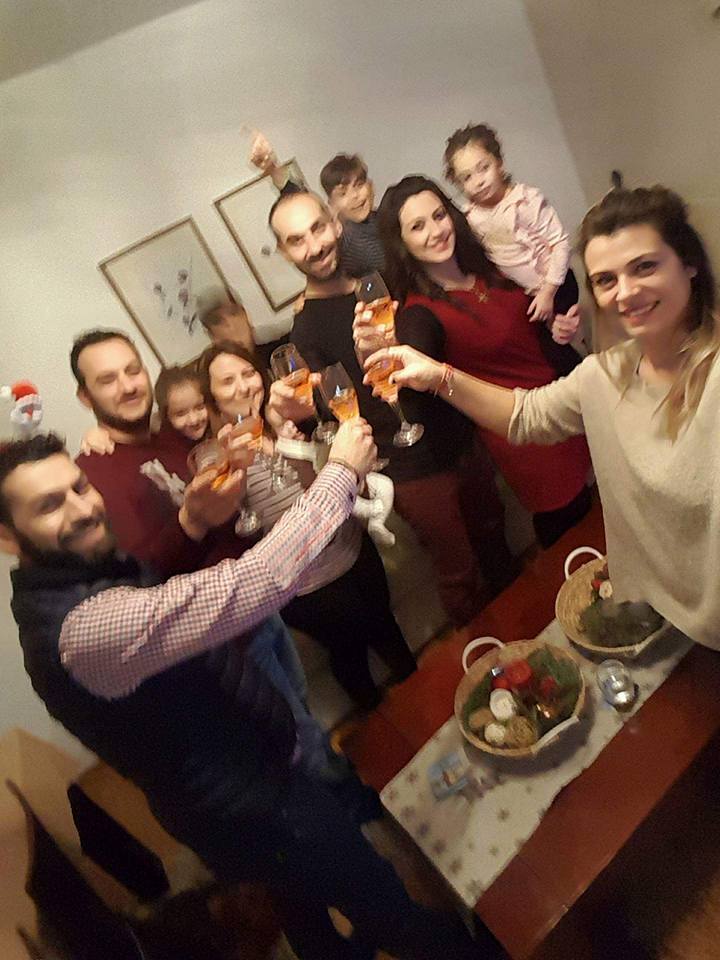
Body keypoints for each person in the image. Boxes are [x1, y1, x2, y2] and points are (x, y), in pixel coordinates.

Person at [1, 429, 496, 959]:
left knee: (303, 907)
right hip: (257, 807)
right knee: (385, 902)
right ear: (7, 536)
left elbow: (162, 599)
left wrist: (192, 522)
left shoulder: (71, 580)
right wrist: (342, 472)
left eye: (79, 487)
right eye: (49, 505)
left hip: (233, 795)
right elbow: (257, 581)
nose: (82, 509)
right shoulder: (81, 631)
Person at [365, 184, 720, 649]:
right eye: (606, 280)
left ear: (688, 263)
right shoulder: (602, 377)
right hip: (667, 614)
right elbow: (526, 415)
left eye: (645, 266)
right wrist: (434, 376)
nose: (626, 292)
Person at [70, 329, 340, 784]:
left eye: (132, 370)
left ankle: (344, 785)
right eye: (107, 379)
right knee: (297, 742)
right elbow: (137, 586)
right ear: (85, 396)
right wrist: (190, 522)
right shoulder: (93, 475)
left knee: (303, 709)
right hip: (223, 642)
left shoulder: (171, 433)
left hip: (259, 602)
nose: (128, 385)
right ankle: (345, 808)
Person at [267, 188, 516, 626]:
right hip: (412, 471)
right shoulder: (306, 331)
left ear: (335, 224)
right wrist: (293, 414)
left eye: (318, 228)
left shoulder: (381, 280)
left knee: (499, 541)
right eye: (296, 240)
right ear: (285, 254)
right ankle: (487, 655)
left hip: (458, 434)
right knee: (460, 576)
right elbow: (329, 409)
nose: (314, 246)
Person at [370, 175, 592, 548]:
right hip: (530, 438)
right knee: (576, 542)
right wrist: (379, 350)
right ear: (401, 242)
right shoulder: (418, 315)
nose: (436, 231)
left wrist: (558, 324)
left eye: (438, 215)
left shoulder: (489, 265)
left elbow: (534, 317)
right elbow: (415, 396)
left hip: (572, 403)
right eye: (417, 226)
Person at [201, 339, 416, 710]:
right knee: (349, 653)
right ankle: (381, 722)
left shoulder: (286, 425)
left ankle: (427, 701)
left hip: (352, 547)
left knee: (386, 626)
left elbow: (329, 486)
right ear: (212, 400)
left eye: (248, 373)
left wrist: (287, 435)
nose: (244, 386)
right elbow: (231, 524)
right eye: (227, 381)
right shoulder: (218, 459)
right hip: (304, 585)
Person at [443, 123, 582, 350]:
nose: (478, 181)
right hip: (523, 294)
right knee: (544, 347)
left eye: (484, 168)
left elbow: (560, 243)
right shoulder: (470, 217)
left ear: (499, 162)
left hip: (556, 283)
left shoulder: (525, 201)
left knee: (566, 337)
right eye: (467, 177)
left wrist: (548, 292)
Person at [250, 132, 384, 277]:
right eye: (342, 193)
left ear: (370, 185)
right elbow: (302, 200)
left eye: (359, 185)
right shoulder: (343, 238)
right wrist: (272, 168)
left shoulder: (385, 216)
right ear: (331, 205)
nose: (355, 196)